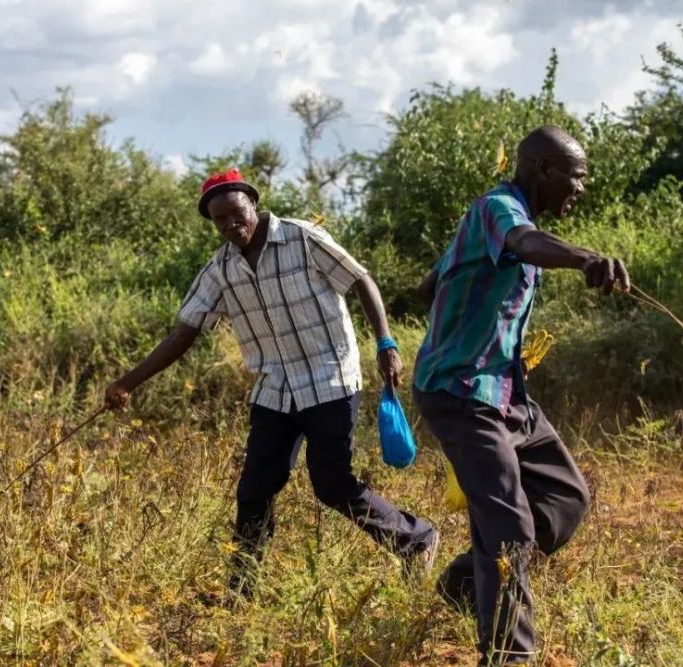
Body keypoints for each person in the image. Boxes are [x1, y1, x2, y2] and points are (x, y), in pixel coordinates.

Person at [106, 168, 438, 598]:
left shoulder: (302, 238)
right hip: (275, 389)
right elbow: (183, 333)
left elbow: (360, 280)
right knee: (255, 488)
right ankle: (241, 592)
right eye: (219, 220)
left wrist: (386, 342)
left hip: (329, 378)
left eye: (236, 214)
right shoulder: (221, 269)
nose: (230, 225)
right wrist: (127, 382)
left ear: (253, 205)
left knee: (332, 483)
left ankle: (415, 539)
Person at [413, 126, 630, 665]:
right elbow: (523, 242)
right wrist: (584, 259)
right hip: (461, 392)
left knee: (565, 498)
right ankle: (510, 654)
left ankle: (465, 583)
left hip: (507, 393)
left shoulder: (494, 220)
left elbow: (435, 277)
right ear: (542, 170)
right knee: (508, 527)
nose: (580, 188)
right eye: (576, 178)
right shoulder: (499, 209)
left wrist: (444, 278)